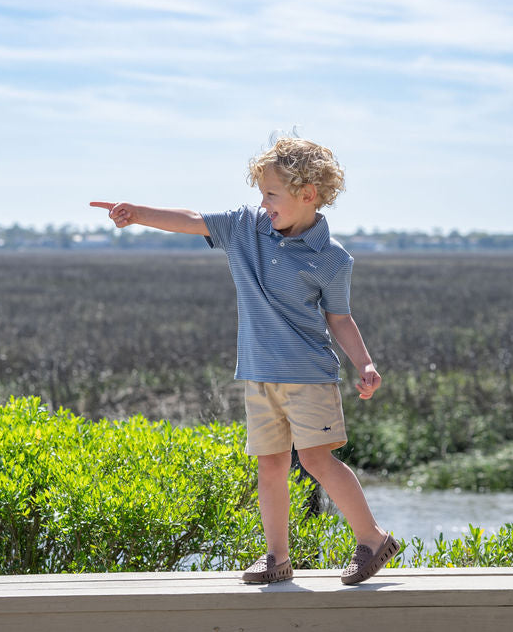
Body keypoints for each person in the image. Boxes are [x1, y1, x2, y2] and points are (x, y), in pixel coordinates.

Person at [90, 135, 398, 585]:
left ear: (307, 195)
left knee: (315, 460)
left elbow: (340, 318)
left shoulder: (332, 259)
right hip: (258, 375)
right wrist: (139, 214)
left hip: (309, 377)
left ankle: (372, 538)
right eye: (261, 193)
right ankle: (277, 558)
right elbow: (194, 219)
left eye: (272, 193)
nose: (263, 202)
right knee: (270, 465)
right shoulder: (243, 229)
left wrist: (365, 365)